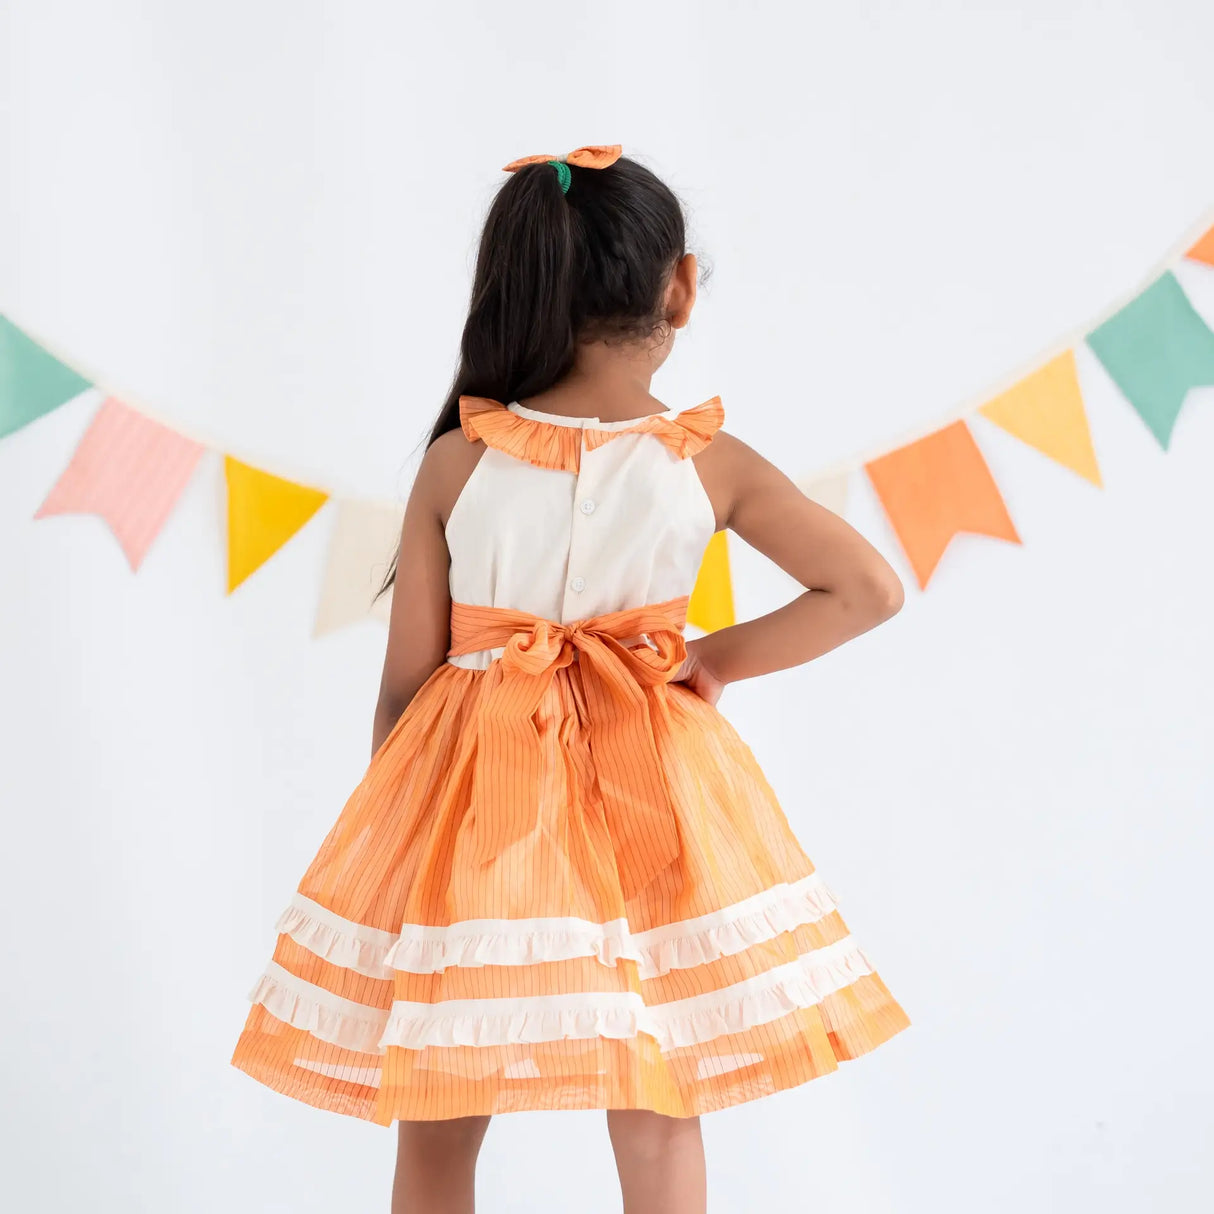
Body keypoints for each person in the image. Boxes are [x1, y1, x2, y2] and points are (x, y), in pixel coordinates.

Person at [231, 143, 911, 1214]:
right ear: (678, 286)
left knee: (441, 1106)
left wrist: (396, 844)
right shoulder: (705, 461)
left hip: (474, 801)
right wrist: (710, 660)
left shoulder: (458, 459)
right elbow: (866, 587)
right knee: (657, 1094)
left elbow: (405, 688)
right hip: (654, 785)